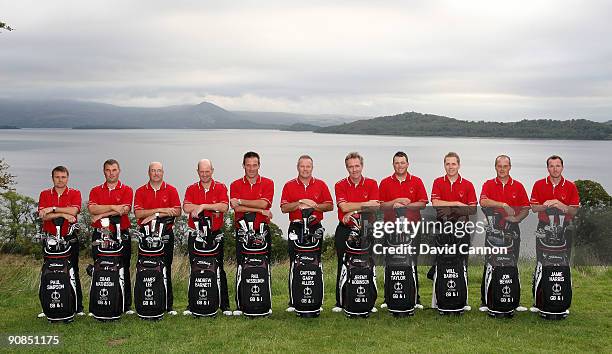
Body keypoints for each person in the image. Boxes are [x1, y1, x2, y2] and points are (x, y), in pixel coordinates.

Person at [280, 155, 333, 312]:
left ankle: (317, 298)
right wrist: (299, 203)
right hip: (296, 227)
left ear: (312, 167)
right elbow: (284, 208)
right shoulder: (289, 185)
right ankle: (293, 300)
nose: (305, 169)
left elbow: (330, 206)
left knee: (316, 261)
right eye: (302, 166)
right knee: (294, 262)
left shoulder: (321, 184)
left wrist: (313, 205)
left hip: (315, 226)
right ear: (298, 167)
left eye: (308, 166)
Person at [478, 155, 530, 312]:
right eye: (499, 166)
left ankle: (514, 300)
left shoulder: (518, 186)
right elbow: (483, 201)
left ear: (510, 167)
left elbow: (526, 208)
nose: (502, 169)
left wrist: (516, 218)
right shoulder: (488, 184)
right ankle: (486, 301)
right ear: (495, 167)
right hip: (493, 230)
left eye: (505, 166)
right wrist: (503, 204)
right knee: (490, 263)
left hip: (512, 230)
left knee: (512, 264)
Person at [378, 151, 428, 310]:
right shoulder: (385, 182)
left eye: (402, 162)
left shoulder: (417, 181)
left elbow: (422, 203)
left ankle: (415, 297)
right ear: (393, 165)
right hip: (390, 228)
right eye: (397, 163)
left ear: (407, 164)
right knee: (390, 261)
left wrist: (406, 206)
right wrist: (395, 201)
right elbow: (381, 205)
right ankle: (388, 297)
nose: (400, 165)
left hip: (412, 228)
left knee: (412, 261)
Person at [332, 152, 380, 313]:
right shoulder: (340, 185)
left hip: (367, 228)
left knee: (369, 263)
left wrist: (353, 209)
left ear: (362, 166)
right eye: (351, 166)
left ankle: (370, 301)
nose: (354, 170)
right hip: (345, 230)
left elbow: (375, 207)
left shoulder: (372, 184)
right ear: (347, 168)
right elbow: (343, 208)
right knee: (343, 263)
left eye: (357, 166)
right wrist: (364, 205)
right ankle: (340, 301)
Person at [182, 159, 231, 316]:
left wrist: (203, 206)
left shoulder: (221, 187)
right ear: (197, 171)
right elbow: (186, 207)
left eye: (207, 171)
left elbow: (224, 206)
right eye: (201, 172)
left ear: (212, 171)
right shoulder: (191, 188)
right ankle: (192, 304)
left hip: (215, 234)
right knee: (195, 267)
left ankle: (224, 305)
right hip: (196, 234)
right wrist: (210, 207)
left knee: (219, 268)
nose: (204, 174)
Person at [430, 152, 477, 311]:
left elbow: (472, 209)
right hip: (442, 229)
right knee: (441, 262)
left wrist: (449, 208)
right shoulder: (438, 182)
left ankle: (463, 299)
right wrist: (457, 203)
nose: (451, 167)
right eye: (448, 164)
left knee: (462, 263)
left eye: (453, 164)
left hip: (462, 230)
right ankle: (437, 300)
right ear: (444, 165)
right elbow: (436, 203)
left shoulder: (468, 184)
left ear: (459, 165)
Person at [133, 161, 181, 315]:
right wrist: (162, 210)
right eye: (153, 171)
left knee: (165, 267)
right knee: (145, 267)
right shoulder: (140, 191)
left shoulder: (171, 190)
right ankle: (144, 302)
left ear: (163, 172)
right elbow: (139, 214)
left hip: (166, 234)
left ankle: (168, 305)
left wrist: (155, 214)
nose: (156, 173)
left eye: (158, 171)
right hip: (145, 234)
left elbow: (178, 211)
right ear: (149, 172)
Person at [229, 151, 274, 316]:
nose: (251, 168)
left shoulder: (268, 183)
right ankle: (242, 304)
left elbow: (264, 203)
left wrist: (242, 201)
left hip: (262, 230)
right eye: (248, 165)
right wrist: (261, 210)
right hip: (242, 231)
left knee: (264, 266)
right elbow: (237, 209)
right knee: (242, 266)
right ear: (243, 166)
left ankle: (265, 303)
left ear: (259, 165)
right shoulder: (235, 184)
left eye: (255, 165)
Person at [88, 159, 134, 314]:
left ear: (119, 171)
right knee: (99, 267)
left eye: (114, 170)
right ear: (104, 171)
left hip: (121, 234)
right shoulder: (95, 190)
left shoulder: (127, 189)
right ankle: (99, 301)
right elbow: (92, 209)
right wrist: (114, 207)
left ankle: (125, 305)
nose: (111, 173)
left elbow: (125, 211)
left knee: (124, 267)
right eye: (108, 170)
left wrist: (102, 213)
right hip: (100, 233)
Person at [37, 166, 84, 317]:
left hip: (70, 237)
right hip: (50, 238)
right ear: (53, 178)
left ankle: (77, 307)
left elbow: (74, 211)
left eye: (63, 177)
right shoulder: (44, 194)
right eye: (57, 177)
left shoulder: (75, 193)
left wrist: (53, 208)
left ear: (67, 178)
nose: (60, 180)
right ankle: (47, 307)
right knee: (48, 270)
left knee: (73, 271)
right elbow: (43, 216)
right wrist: (64, 213)